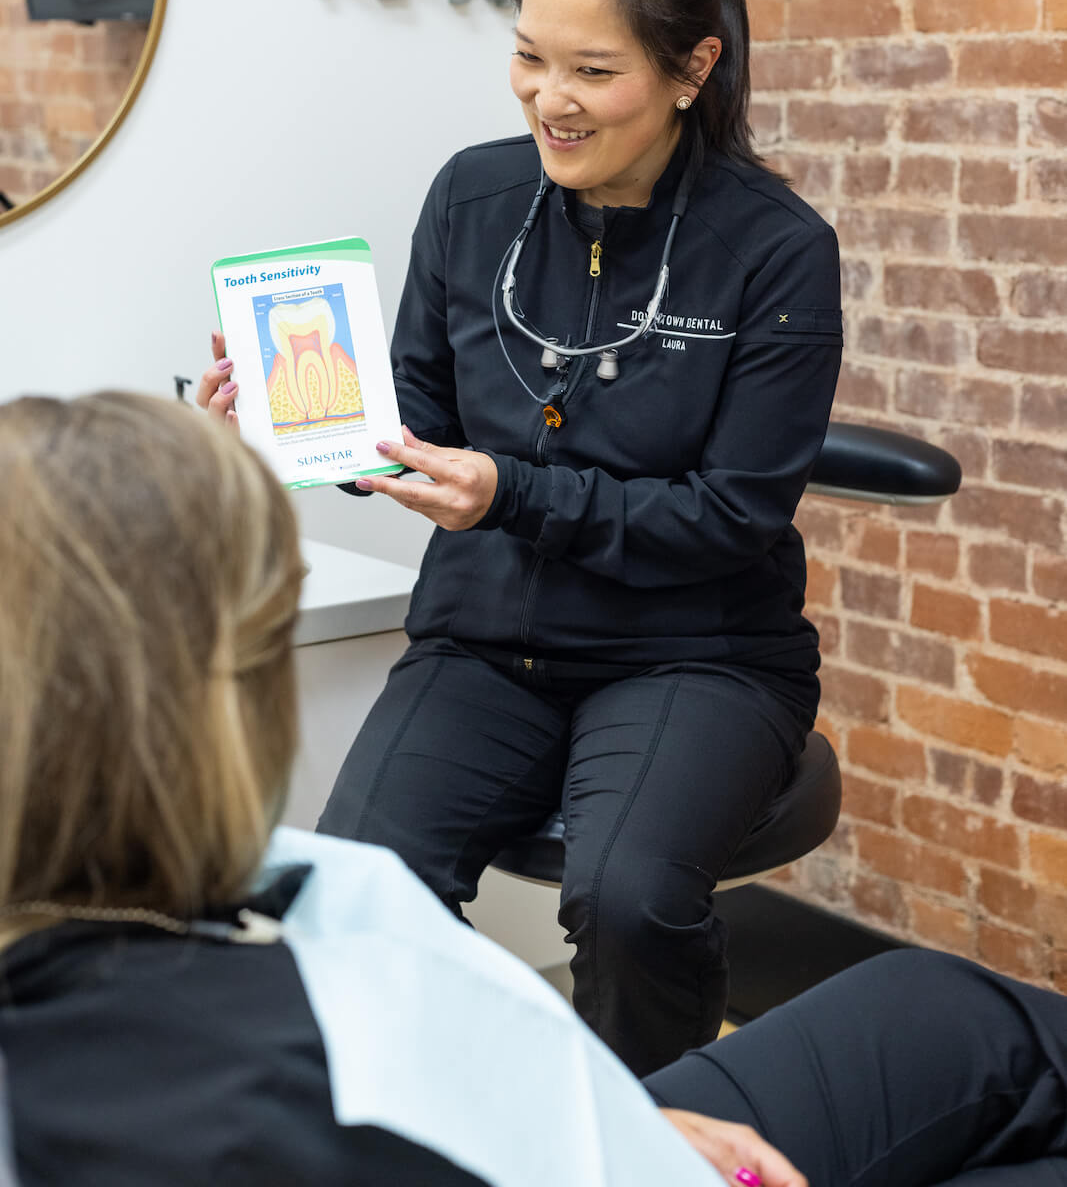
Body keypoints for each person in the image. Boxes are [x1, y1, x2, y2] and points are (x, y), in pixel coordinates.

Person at [3, 394, 1067, 1187]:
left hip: (562, 1122)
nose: (553, 95)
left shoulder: (212, 969)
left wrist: (613, 1109)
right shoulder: (290, 1081)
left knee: (933, 1012)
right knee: (984, 1048)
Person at [201, 0, 844, 1077]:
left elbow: (731, 514)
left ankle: (649, 1133)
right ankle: (439, 1131)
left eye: (591, 69)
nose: (549, 96)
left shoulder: (775, 248)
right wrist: (306, 418)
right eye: (528, 56)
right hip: (486, 639)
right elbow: (419, 425)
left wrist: (509, 495)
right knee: (350, 888)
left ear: (691, 66)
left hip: (693, 652)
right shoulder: (472, 195)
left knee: (628, 896)